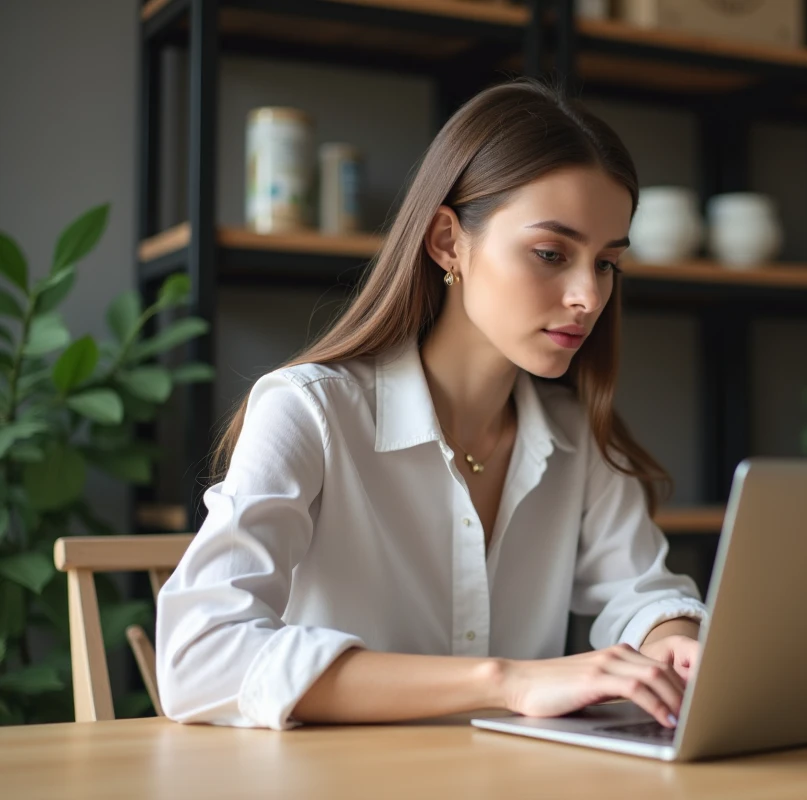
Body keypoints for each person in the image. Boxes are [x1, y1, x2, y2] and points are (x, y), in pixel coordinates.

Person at [156, 80, 708, 732]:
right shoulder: (309, 413)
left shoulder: (573, 436)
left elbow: (642, 590)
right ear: (448, 242)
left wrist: (671, 639)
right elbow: (197, 656)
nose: (588, 295)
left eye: (608, 263)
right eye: (551, 254)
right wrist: (507, 681)